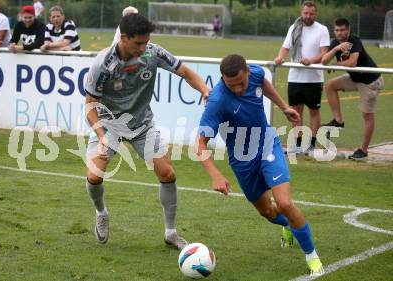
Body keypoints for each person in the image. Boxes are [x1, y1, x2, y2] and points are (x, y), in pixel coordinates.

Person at [83, 14, 210, 250]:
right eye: (138, 43)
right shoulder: (103, 64)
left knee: (167, 174)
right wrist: (101, 137)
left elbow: (186, 72)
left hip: (142, 125)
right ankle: (101, 212)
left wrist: (204, 90)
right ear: (123, 38)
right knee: (94, 177)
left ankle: (171, 232)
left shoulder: (153, 53)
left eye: (146, 42)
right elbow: (89, 105)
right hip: (109, 125)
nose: (144, 47)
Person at [196, 54, 324, 276]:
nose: (237, 89)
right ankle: (289, 225)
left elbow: (263, 82)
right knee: (267, 211)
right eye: (230, 85)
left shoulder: (255, 72)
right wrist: (215, 175)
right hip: (242, 161)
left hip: (267, 144)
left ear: (247, 72)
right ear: (222, 78)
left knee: (284, 202)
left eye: (241, 83)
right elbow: (200, 145)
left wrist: (283, 106)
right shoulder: (217, 101)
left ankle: (313, 258)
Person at [321, 18, 384, 160]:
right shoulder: (335, 43)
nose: (339, 33)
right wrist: (336, 49)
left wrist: (336, 65)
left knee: (367, 115)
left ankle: (363, 150)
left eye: (342, 30)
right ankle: (338, 121)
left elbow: (352, 62)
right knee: (330, 85)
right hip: (355, 79)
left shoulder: (354, 40)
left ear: (348, 30)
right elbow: (324, 61)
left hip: (370, 81)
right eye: (337, 30)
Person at [274, 1, 329, 155]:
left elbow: (325, 52)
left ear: (315, 14)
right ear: (301, 12)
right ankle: (297, 145)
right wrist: (280, 57)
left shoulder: (322, 30)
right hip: (295, 77)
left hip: (314, 78)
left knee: (314, 111)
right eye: (305, 13)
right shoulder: (294, 27)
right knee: (295, 111)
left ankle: (311, 145)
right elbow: (285, 47)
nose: (308, 16)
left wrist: (311, 61)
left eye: (311, 13)